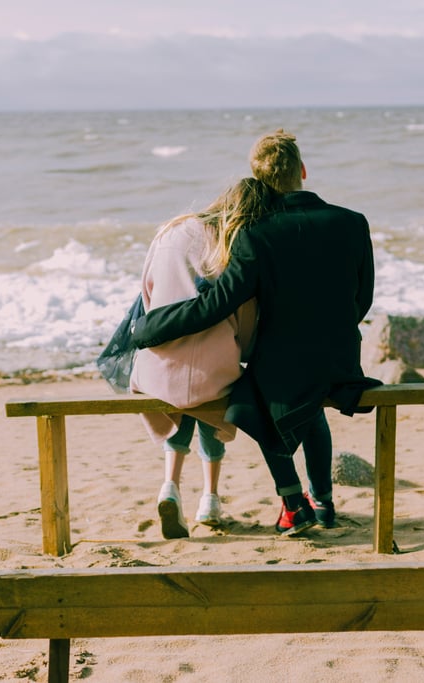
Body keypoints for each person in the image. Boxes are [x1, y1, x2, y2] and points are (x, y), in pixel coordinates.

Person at [131, 129, 378, 537]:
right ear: (302, 169)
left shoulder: (255, 234)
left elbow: (217, 304)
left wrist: (149, 329)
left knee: (250, 400)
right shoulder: (352, 222)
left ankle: (292, 503)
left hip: (284, 366)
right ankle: (324, 501)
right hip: (341, 359)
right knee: (312, 401)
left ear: (257, 177)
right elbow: (362, 298)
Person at [130, 177, 277, 539]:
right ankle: (210, 497)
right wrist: (244, 349)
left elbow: (146, 294)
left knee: (180, 398)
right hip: (211, 371)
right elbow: (243, 319)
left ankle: (170, 485)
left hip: (158, 367)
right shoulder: (232, 246)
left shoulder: (171, 231)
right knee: (216, 391)